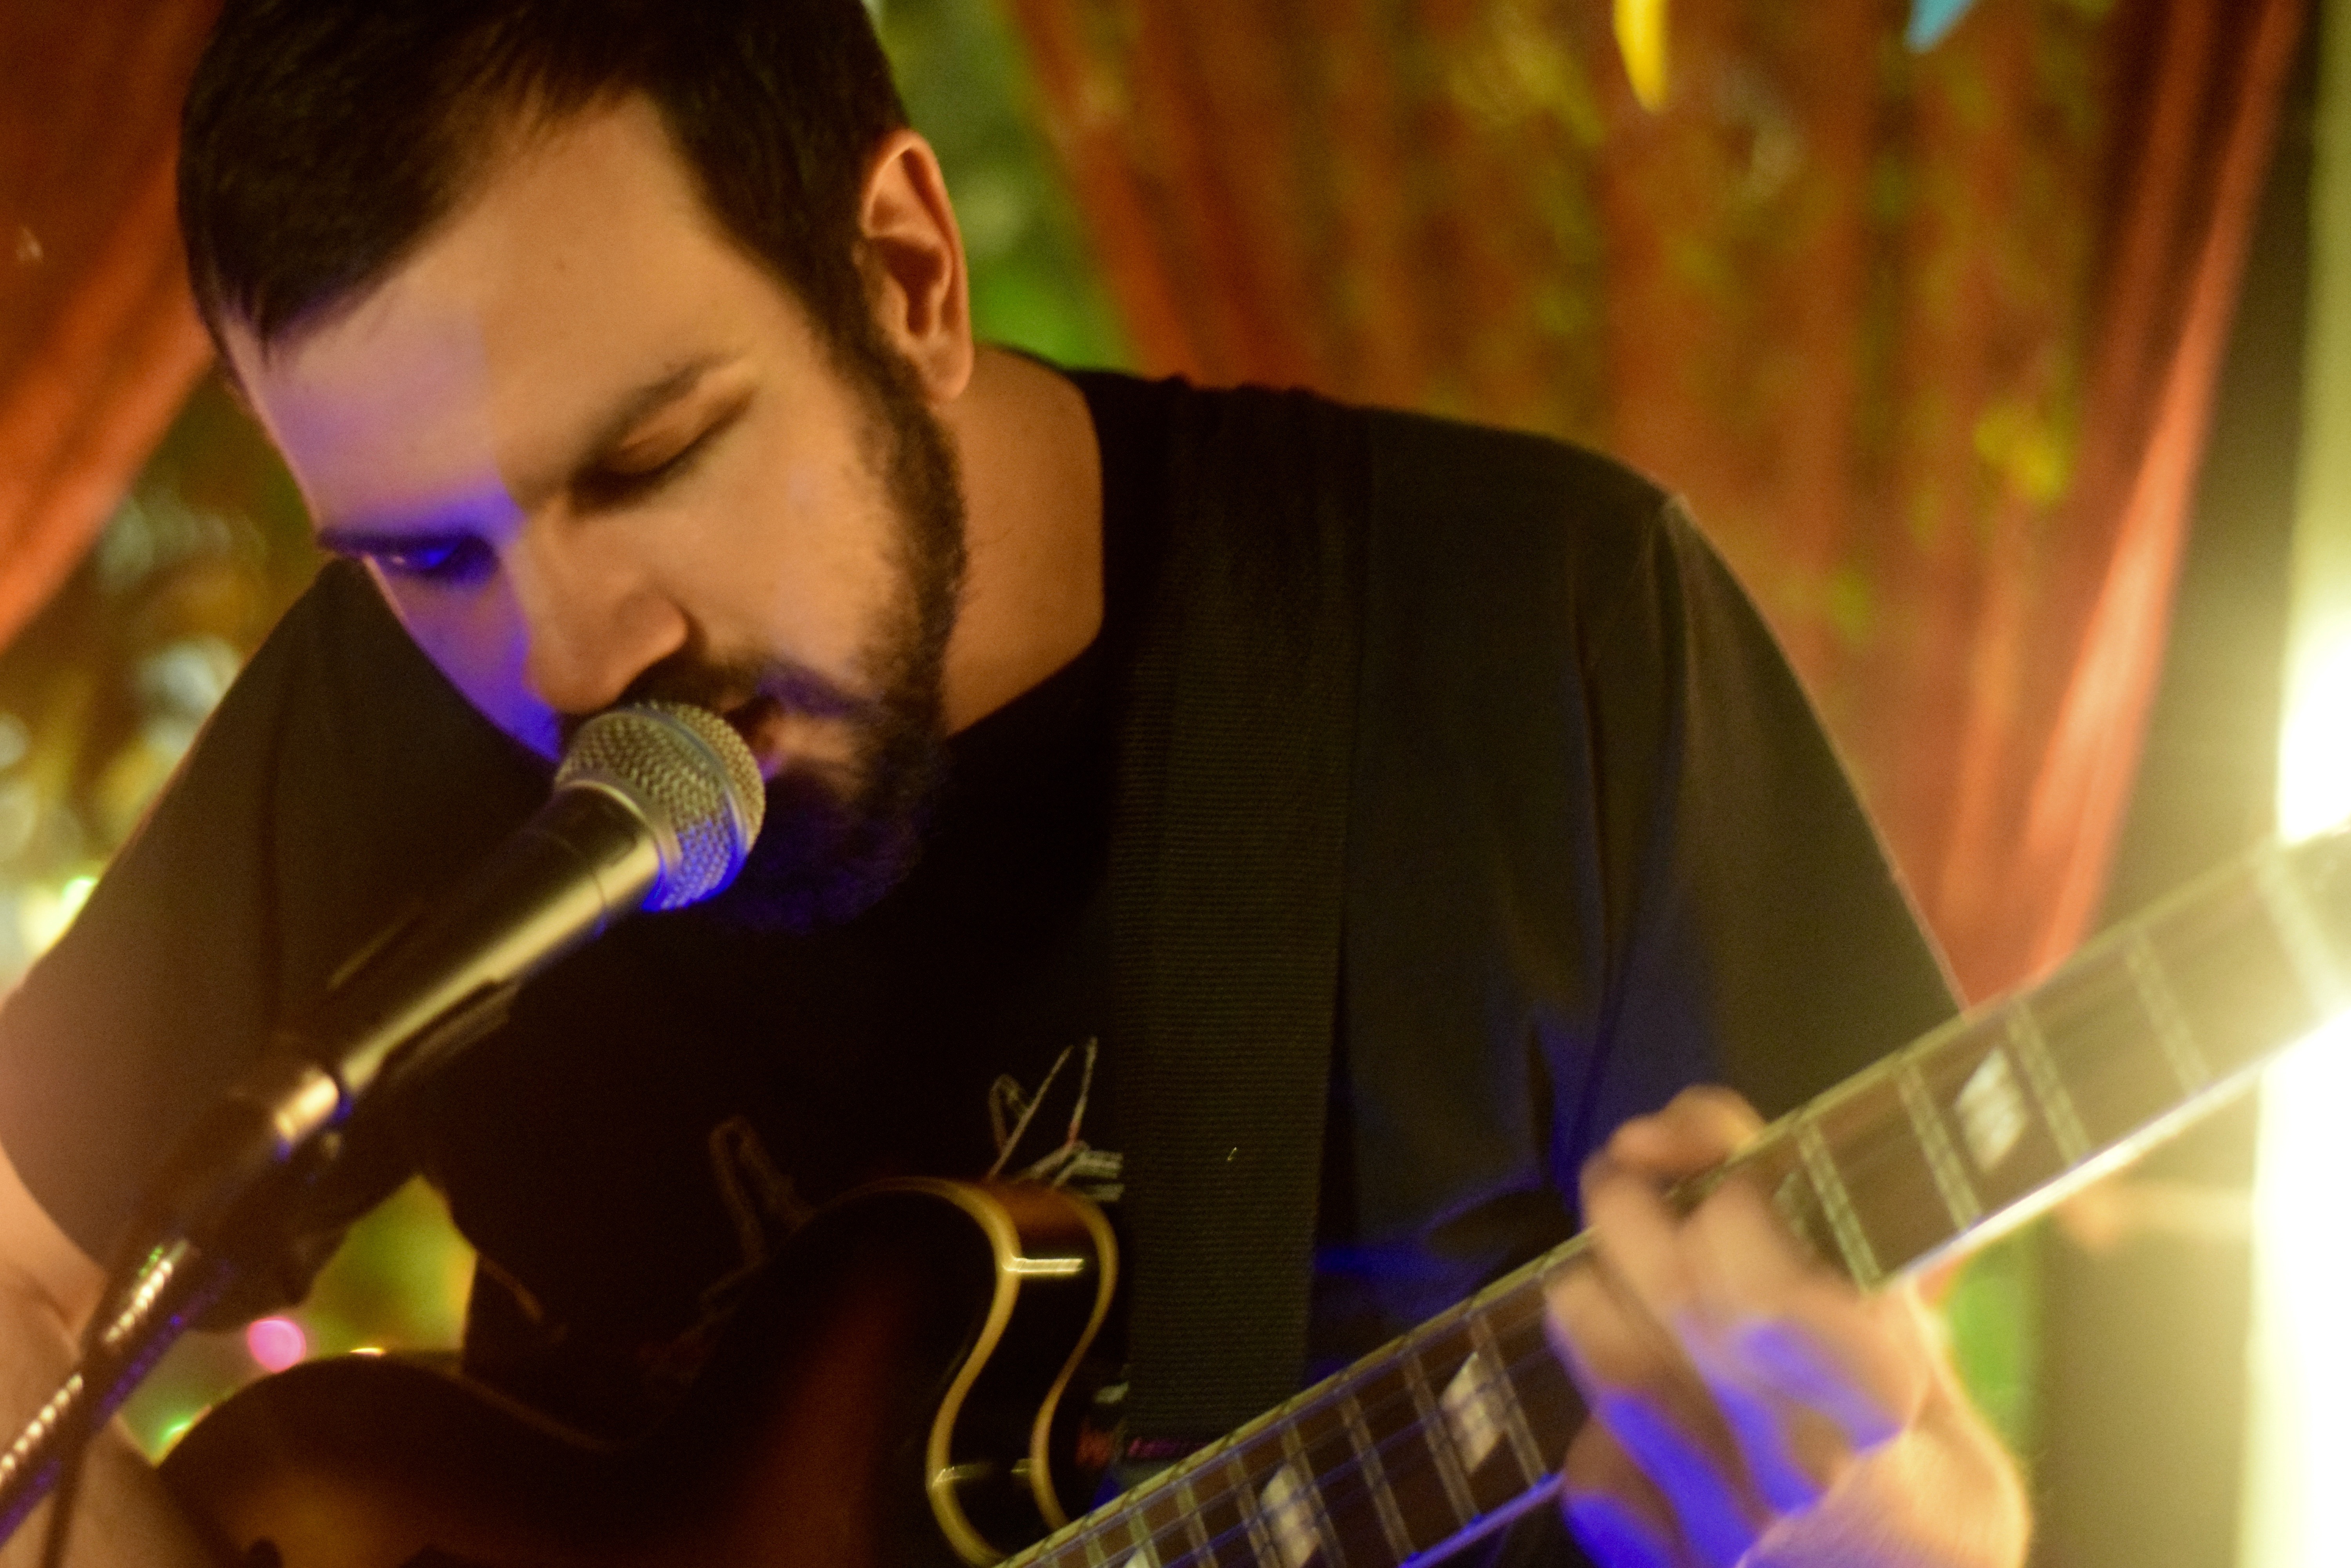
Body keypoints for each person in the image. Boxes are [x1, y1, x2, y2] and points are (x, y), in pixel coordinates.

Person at [0, 2, 2030, 1564]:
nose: (569, 660)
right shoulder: (405, 714)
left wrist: (1830, 1506)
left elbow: (1938, 1489)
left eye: (649, 458)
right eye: (424, 555)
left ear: (904, 275)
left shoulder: (1536, 631)